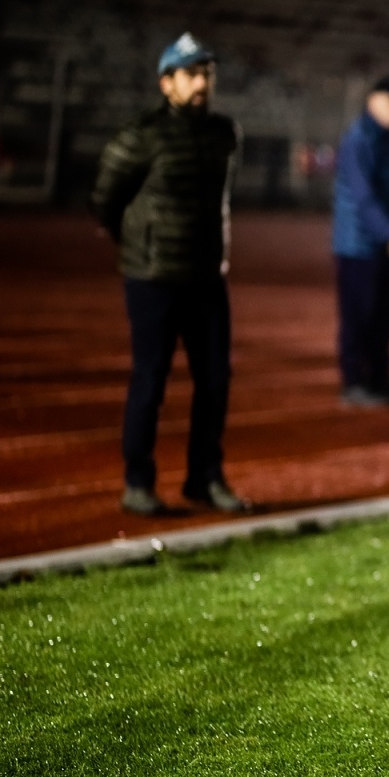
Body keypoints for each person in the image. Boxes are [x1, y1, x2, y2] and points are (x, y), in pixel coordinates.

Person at [91, 34, 249, 518]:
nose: (202, 83)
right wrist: (140, 246)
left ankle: (205, 477)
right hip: (153, 277)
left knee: (215, 380)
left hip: (206, 277)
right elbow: (105, 200)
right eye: (191, 74)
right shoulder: (140, 135)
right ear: (167, 83)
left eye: (207, 74)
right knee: (150, 379)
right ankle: (138, 482)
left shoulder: (225, 132)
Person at [331, 75, 389, 407]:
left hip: (379, 244)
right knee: (358, 316)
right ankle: (354, 383)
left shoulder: (388, 140)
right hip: (357, 245)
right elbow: (364, 197)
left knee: (384, 315)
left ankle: (379, 380)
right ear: (373, 101)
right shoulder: (359, 140)